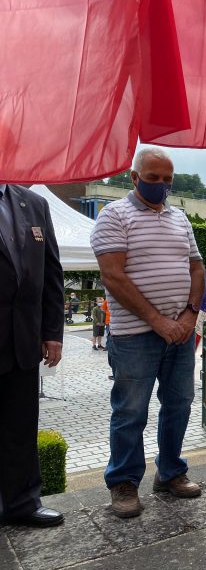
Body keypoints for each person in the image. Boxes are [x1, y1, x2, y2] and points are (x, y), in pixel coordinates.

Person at [91, 147, 205, 518]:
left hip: (181, 333)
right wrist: (158, 321)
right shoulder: (113, 216)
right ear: (134, 177)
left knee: (179, 403)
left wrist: (189, 316)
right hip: (134, 335)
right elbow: (113, 276)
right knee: (130, 411)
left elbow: (197, 270)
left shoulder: (180, 218)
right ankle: (123, 482)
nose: (162, 185)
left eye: (167, 179)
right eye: (153, 178)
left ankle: (170, 471)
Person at [0, 183, 65, 527]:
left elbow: (52, 272)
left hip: (23, 339)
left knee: (21, 425)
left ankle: (23, 503)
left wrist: (53, 333)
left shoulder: (34, 202)